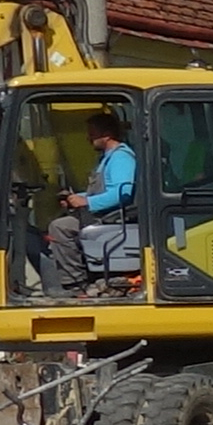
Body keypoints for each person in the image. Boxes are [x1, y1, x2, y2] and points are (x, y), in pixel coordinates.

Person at [56, 114, 141, 293]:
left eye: (93, 134)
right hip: (102, 215)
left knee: (60, 228)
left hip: (113, 219)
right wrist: (75, 198)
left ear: (107, 134)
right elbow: (100, 191)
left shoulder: (121, 158)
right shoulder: (106, 159)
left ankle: (76, 283)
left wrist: (87, 201)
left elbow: (122, 193)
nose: (89, 138)